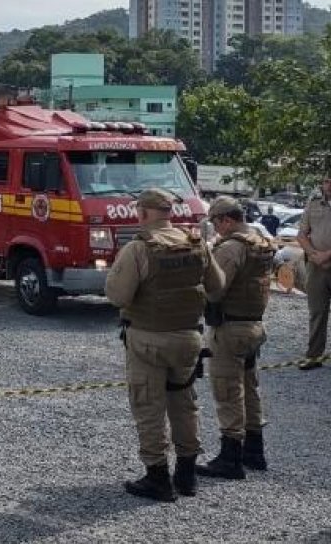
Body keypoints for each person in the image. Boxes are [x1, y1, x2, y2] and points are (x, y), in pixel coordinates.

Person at [106, 187, 225, 502]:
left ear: (143, 213)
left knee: (148, 408)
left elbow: (117, 296)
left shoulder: (139, 248)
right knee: (184, 405)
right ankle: (186, 474)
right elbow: (217, 286)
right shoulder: (196, 243)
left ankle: (157, 477)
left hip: (147, 340)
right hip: (188, 339)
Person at [196, 196, 276, 480]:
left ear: (226, 220)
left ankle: (230, 458)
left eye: (216, 223)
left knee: (228, 390)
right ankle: (255, 451)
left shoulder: (230, 248)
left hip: (229, 329)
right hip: (253, 325)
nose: (215, 229)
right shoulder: (258, 241)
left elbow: (216, 290)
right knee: (250, 388)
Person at [297, 175, 331, 370]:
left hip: (324, 259)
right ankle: (314, 356)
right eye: (327, 180)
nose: (329, 184)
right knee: (317, 312)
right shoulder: (314, 204)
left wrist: (327, 255)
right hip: (316, 266)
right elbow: (301, 234)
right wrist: (313, 254)